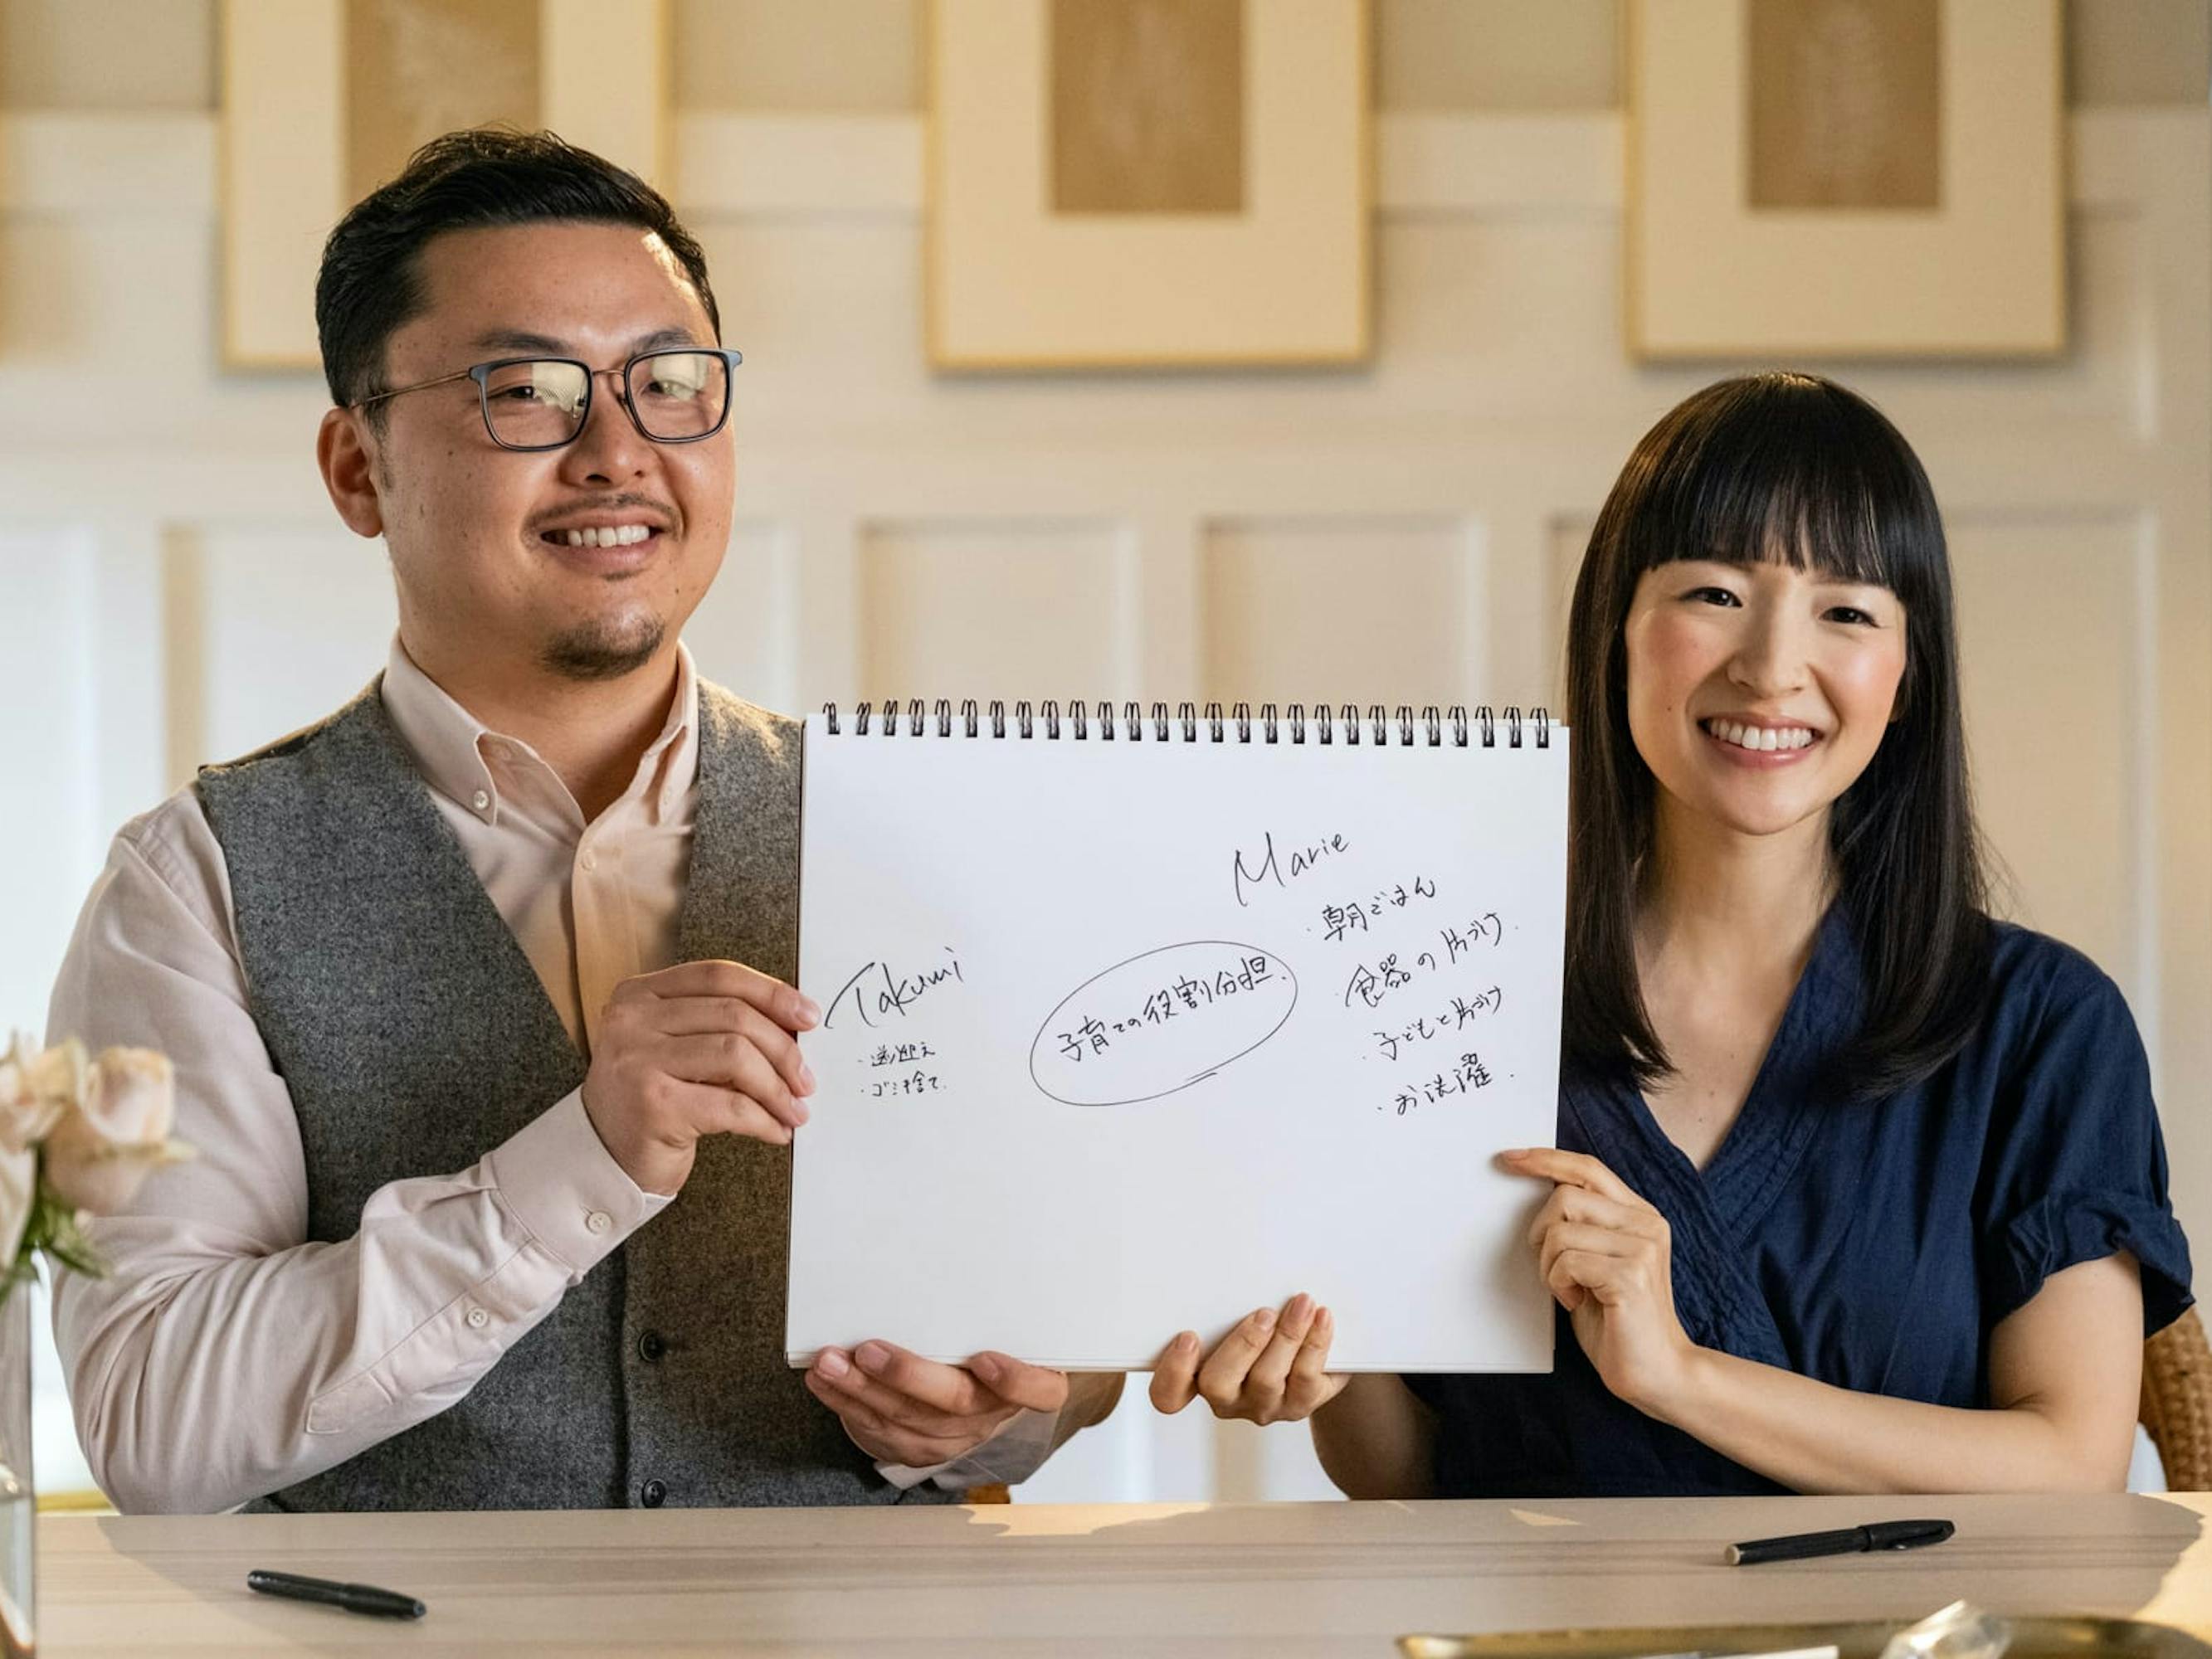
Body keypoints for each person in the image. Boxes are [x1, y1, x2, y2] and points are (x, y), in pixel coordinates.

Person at [46, 128, 1119, 1514]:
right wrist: (577, 1163)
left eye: (670, 384)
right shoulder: (195, 883)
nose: (618, 452)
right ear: (355, 468)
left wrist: (985, 1421)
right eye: (526, 391)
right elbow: (154, 1424)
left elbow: (1040, 1353)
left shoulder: (921, 834)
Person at [1147, 372, 2192, 1496]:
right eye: (1712, 594)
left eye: (1845, 611)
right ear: (1618, 629)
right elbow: (1411, 1483)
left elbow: (2070, 1463)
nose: (1770, 666)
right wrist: (1326, 1362)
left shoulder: (2040, 1025)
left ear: (1907, 671)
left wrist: (1678, 1374)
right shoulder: (1443, 992)